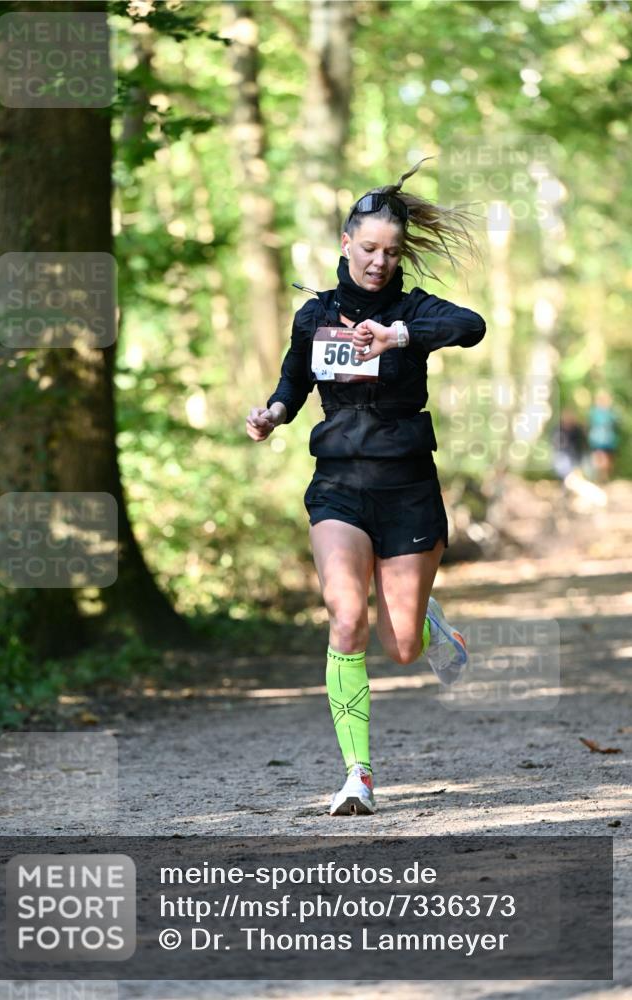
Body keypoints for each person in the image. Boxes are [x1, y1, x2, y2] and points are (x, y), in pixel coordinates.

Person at [246, 160, 486, 816]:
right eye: (368, 248)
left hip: (407, 487)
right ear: (344, 245)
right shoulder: (314, 314)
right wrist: (271, 413)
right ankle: (358, 773)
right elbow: (293, 382)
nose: (378, 262)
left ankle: (435, 630)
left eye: (391, 252)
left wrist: (398, 336)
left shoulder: (414, 311)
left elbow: (470, 325)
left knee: (401, 648)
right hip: (337, 488)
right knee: (346, 617)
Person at [588, 390, 619, 484]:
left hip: (608, 440)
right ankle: (598, 478)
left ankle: (605, 478)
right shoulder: (594, 412)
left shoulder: (610, 412)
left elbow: (615, 423)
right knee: (598, 459)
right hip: (596, 440)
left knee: (607, 460)